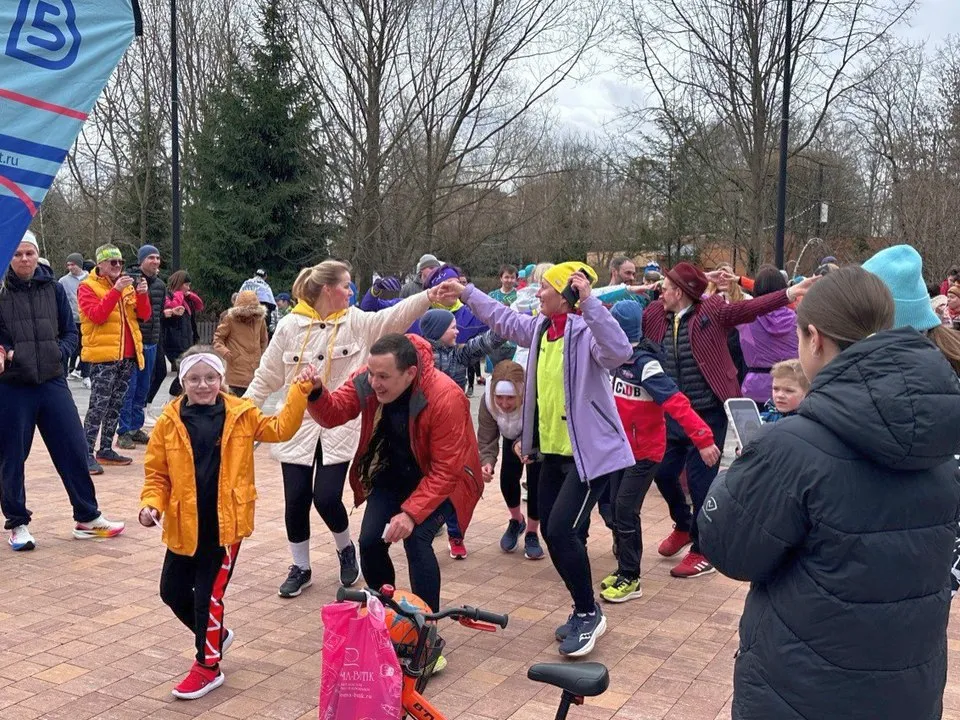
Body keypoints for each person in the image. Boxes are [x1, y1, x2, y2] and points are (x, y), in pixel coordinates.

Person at [699, 266, 960, 720]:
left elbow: (730, 549)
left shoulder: (790, 446)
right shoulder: (941, 440)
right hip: (908, 689)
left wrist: (743, 465)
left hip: (802, 691)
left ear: (814, 338)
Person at [439, 262, 635, 658]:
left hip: (588, 458)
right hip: (548, 454)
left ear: (566, 296)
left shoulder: (586, 330)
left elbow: (619, 352)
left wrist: (591, 304)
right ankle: (585, 608)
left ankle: (587, 612)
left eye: (545, 288)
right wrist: (466, 292)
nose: (537, 293)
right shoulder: (541, 329)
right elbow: (503, 318)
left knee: (562, 531)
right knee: (553, 531)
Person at [244, 260, 441, 597]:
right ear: (327, 289)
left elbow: (391, 318)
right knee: (296, 499)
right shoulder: (290, 325)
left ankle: (345, 548)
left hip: (338, 423)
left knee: (326, 497)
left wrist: (429, 296)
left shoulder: (356, 322)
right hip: (297, 426)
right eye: (346, 285)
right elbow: (266, 376)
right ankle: (301, 566)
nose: (351, 291)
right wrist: (241, 416)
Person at [140, 346, 314, 701]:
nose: (203, 385)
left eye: (210, 377)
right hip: (183, 527)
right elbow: (157, 474)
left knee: (208, 597)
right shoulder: (167, 422)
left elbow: (280, 429)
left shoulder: (242, 414)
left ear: (221, 380)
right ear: (182, 381)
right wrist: (151, 505)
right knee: (171, 591)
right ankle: (215, 636)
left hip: (225, 527)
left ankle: (208, 666)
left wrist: (300, 390)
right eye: (194, 378)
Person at [641, 262, 815, 578]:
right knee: (664, 473)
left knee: (699, 480)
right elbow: (648, 301)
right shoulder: (657, 315)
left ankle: (702, 549)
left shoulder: (713, 313)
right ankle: (683, 524)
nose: (660, 291)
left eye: (665, 287)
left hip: (708, 411)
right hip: (675, 411)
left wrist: (789, 292)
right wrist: (697, 280)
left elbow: (753, 308)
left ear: (678, 292)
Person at [306, 333, 484, 614]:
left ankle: (427, 627)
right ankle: (386, 615)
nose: (375, 383)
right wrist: (316, 392)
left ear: (410, 373)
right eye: (372, 374)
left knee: (417, 540)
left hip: (445, 481)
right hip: (393, 474)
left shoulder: (446, 396)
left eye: (384, 377)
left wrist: (411, 513)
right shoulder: (370, 377)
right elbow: (334, 413)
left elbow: (446, 469)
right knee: (370, 542)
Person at [0, 232, 125, 551]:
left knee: (72, 447)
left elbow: (71, 331)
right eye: (17, 254)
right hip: (14, 385)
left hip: (53, 381)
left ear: (38, 255)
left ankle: (87, 517)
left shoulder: (53, 289)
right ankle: (18, 524)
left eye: (29, 253)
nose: (23, 259)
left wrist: (60, 352)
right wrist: (6, 351)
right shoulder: (1, 291)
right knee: (12, 456)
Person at [599, 301, 719, 603]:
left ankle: (631, 577)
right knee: (614, 508)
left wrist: (703, 439)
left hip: (644, 452)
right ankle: (623, 568)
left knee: (626, 510)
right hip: (619, 450)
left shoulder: (645, 365)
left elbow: (676, 402)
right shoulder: (615, 359)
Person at [417, 308, 506, 558]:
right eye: (452, 327)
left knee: (456, 482)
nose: (457, 330)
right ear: (436, 331)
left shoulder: (460, 355)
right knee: (426, 479)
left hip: (454, 431)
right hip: (424, 430)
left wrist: (507, 322)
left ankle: (456, 534)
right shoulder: (418, 358)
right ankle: (426, 519)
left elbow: (488, 341)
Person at [78, 244, 152, 473]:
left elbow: (144, 315)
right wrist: (116, 291)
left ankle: (105, 449)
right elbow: (97, 316)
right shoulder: (87, 287)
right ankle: (85, 452)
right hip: (103, 356)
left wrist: (142, 294)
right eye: (113, 263)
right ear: (100, 264)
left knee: (115, 405)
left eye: (120, 262)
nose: (118, 266)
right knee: (98, 407)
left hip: (127, 356)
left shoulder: (127, 287)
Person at [477, 360, 544, 560]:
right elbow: (487, 435)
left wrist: (524, 444)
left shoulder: (535, 398)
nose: (504, 404)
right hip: (509, 436)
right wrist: (486, 461)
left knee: (535, 485)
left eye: (510, 398)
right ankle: (517, 520)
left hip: (536, 439)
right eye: (499, 398)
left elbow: (543, 428)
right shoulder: (487, 401)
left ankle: (532, 532)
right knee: (507, 480)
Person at [118, 245, 165, 448]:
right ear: (141, 261)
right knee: (130, 387)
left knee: (143, 388)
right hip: (133, 342)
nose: (155, 261)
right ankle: (123, 431)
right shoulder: (128, 281)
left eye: (157, 258)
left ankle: (136, 427)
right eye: (151, 258)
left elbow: (159, 312)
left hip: (152, 342)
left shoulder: (161, 285)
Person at [737, 265, 798, 405]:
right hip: (790, 386)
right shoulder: (797, 320)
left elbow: (717, 310)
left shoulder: (746, 319)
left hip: (755, 388)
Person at [212, 290, 268, 395]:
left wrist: (262, 358)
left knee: (252, 406)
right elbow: (218, 339)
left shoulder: (260, 320)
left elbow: (263, 340)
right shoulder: (230, 319)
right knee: (235, 406)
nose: (250, 315)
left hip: (255, 370)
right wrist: (226, 353)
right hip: (236, 370)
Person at [163, 270, 204, 396]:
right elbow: (172, 306)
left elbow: (199, 305)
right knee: (183, 371)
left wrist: (190, 295)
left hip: (187, 340)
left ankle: (176, 399)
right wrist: (179, 294)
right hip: (173, 341)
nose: (188, 288)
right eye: (186, 284)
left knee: (186, 370)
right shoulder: (168, 296)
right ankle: (171, 399)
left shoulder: (188, 299)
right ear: (180, 283)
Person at [58, 252, 88, 382]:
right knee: (68, 346)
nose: (70, 267)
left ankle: (86, 375)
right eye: (68, 265)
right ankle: (64, 373)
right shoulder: (63, 281)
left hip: (87, 319)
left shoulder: (89, 279)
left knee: (85, 347)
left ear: (79, 264)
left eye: (73, 264)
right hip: (71, 320)